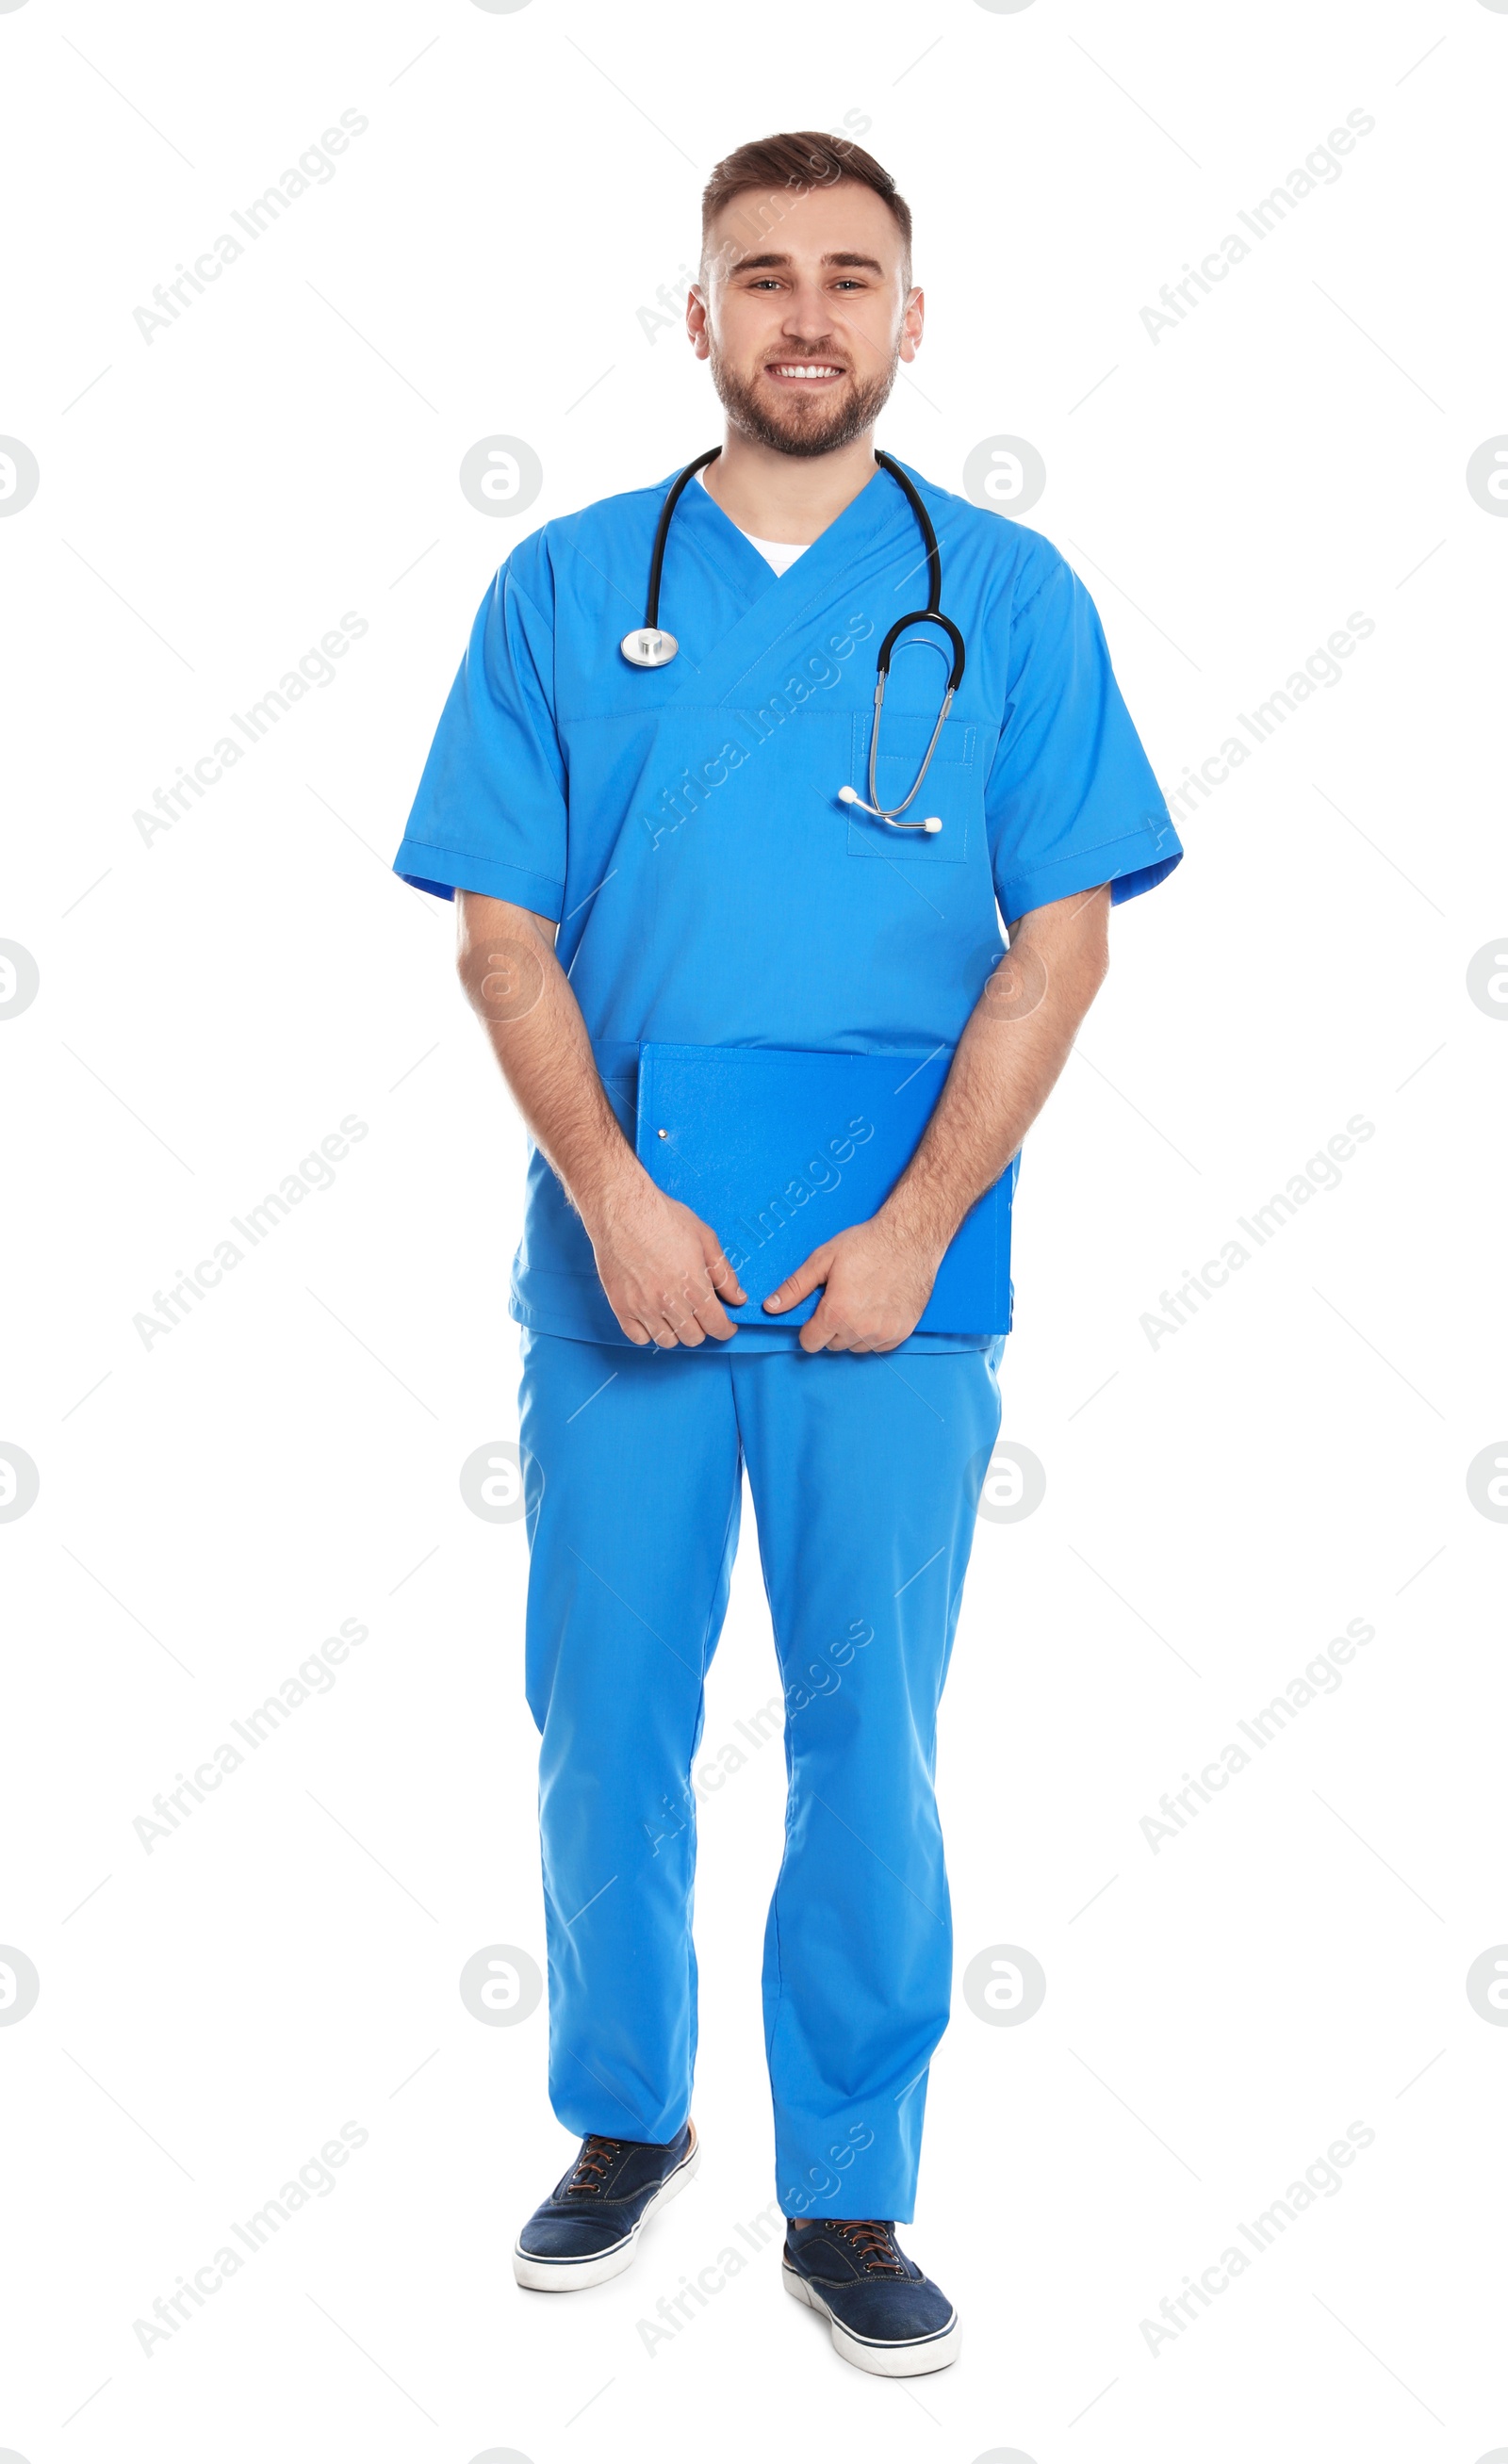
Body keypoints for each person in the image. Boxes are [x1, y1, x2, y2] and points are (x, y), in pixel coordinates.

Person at [393, 129, 1181, 2378]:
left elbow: (1059, 939)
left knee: (871, 1738)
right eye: (762, 277)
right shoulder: (564, 590)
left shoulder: (1008, 597)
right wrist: (608, 1202)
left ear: (910, 320)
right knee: (603, 1724)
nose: (806, 313)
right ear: (701, 319)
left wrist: (918, 1223)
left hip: (895, 1282)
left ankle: (846, 2191)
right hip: (617, 1265)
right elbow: (497, 932)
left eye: (851, 276)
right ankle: (624, 2126)